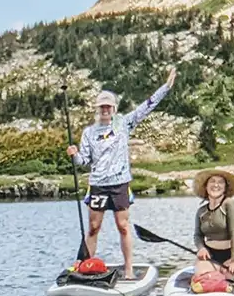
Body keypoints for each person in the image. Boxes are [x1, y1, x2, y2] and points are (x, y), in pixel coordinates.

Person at [66, 65, 177, 280]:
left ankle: (128, 269)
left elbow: (148, 106)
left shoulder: (124, 123)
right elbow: (84, 161)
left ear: (114, 109)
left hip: (120, 183)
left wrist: (166, 86)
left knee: (123, 226)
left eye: (108, 107)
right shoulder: (88, 132)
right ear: (97, 110)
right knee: (93, 227)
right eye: (102, 107)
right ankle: (85, 265)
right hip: (98, 183)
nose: (105, 110)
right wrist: (74, 155)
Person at [192, 168, 234, 280]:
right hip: (211, 256)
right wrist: (201, 248)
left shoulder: (230, 204)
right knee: (204, 280)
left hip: (231, 254)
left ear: (225, 187)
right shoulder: (201, 211)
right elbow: (197, 235)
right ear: (206, 186)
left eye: (220, 182)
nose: (216, 185)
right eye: (212, 181)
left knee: (233, 280)